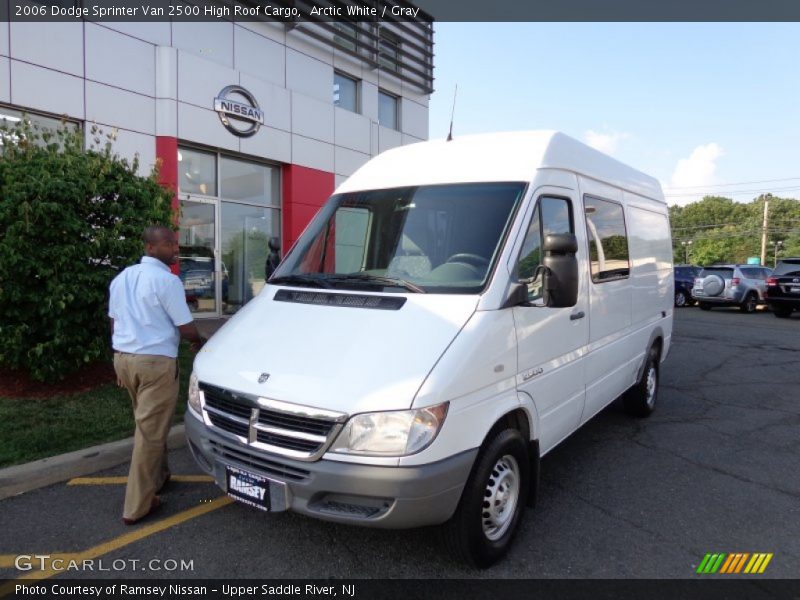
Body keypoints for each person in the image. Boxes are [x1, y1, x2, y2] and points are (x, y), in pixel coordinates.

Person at [108, 225, 205, 525]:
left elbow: (114, 322)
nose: (175, 249)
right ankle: (137, 506)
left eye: (175, 243)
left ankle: (160, 477)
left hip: (124, 359)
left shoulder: (122, 277)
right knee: (149, 433)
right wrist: (199, 341)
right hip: (155, 364)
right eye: (167, 244)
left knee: (150, 423)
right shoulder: (167, 280)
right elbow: (186, 328)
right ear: (150, 248)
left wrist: (120, 358)